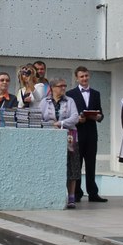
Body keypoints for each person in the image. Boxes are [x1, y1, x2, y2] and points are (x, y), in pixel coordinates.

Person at [40, 78, 80, 209]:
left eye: (64, 85)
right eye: (60, 86)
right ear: (52, 88)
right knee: (51, 165)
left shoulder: (70, 101)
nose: (63, 88)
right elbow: (39, 118)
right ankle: (52, 195)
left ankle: (71, 197)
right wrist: (50, 125)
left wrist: (60, 123)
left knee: (72, 166)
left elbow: (75, 117)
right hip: (50, 137)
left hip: (69, 136)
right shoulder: (44, 102)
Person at [68, 66, 106, 202]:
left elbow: (100, 113)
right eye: (81, 76)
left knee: (91, 163)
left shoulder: (96, 93)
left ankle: (93, 193)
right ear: (77, 78)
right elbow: (68, 114)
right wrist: (77, 119)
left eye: (86, 76)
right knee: (76, 164)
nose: (84, 78)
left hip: (91, 133)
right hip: (77, 132)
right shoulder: (70, 94)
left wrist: (98, 117)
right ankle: (77, 193)